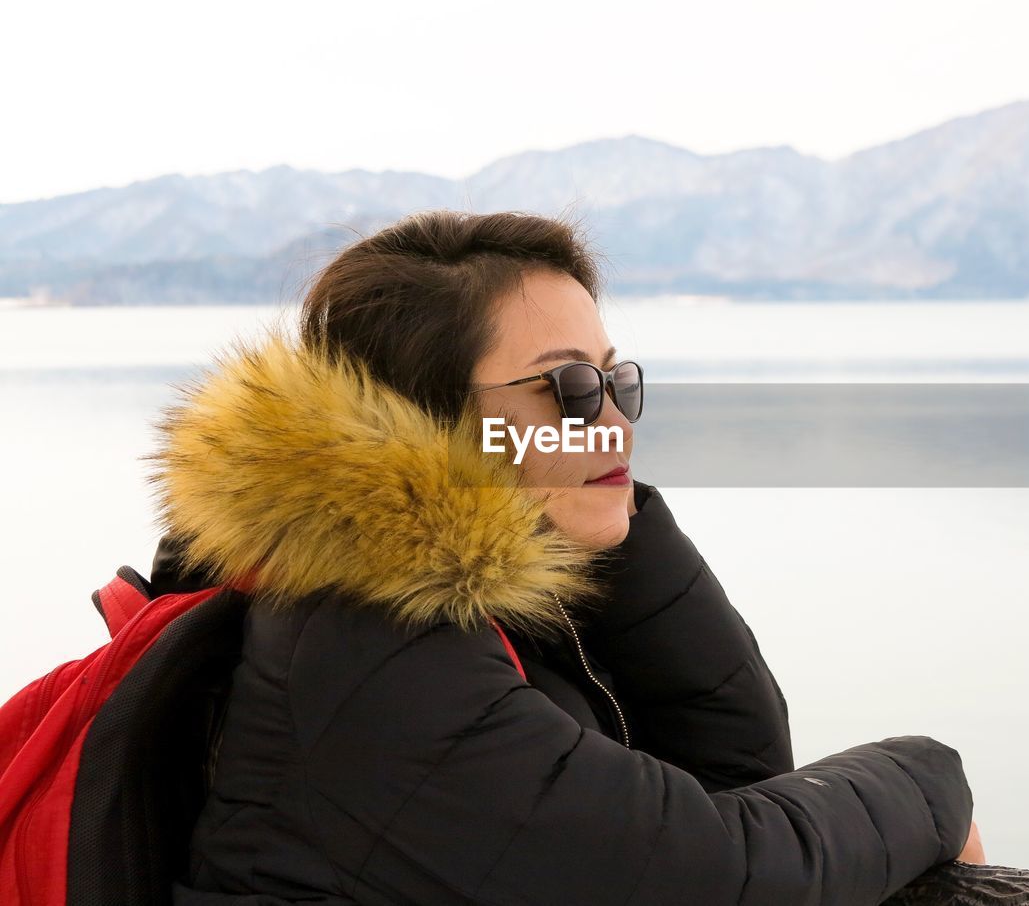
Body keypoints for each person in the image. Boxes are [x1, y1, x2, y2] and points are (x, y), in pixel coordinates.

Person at [149, 209, 983, 906]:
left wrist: (608, 515)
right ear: (426, 418)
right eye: (568, 390)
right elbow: (719, 877)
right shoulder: (369, 647)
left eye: (618, 384)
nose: (616, 423)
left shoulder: (492, 599)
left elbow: (737, 773)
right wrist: (930, 779)